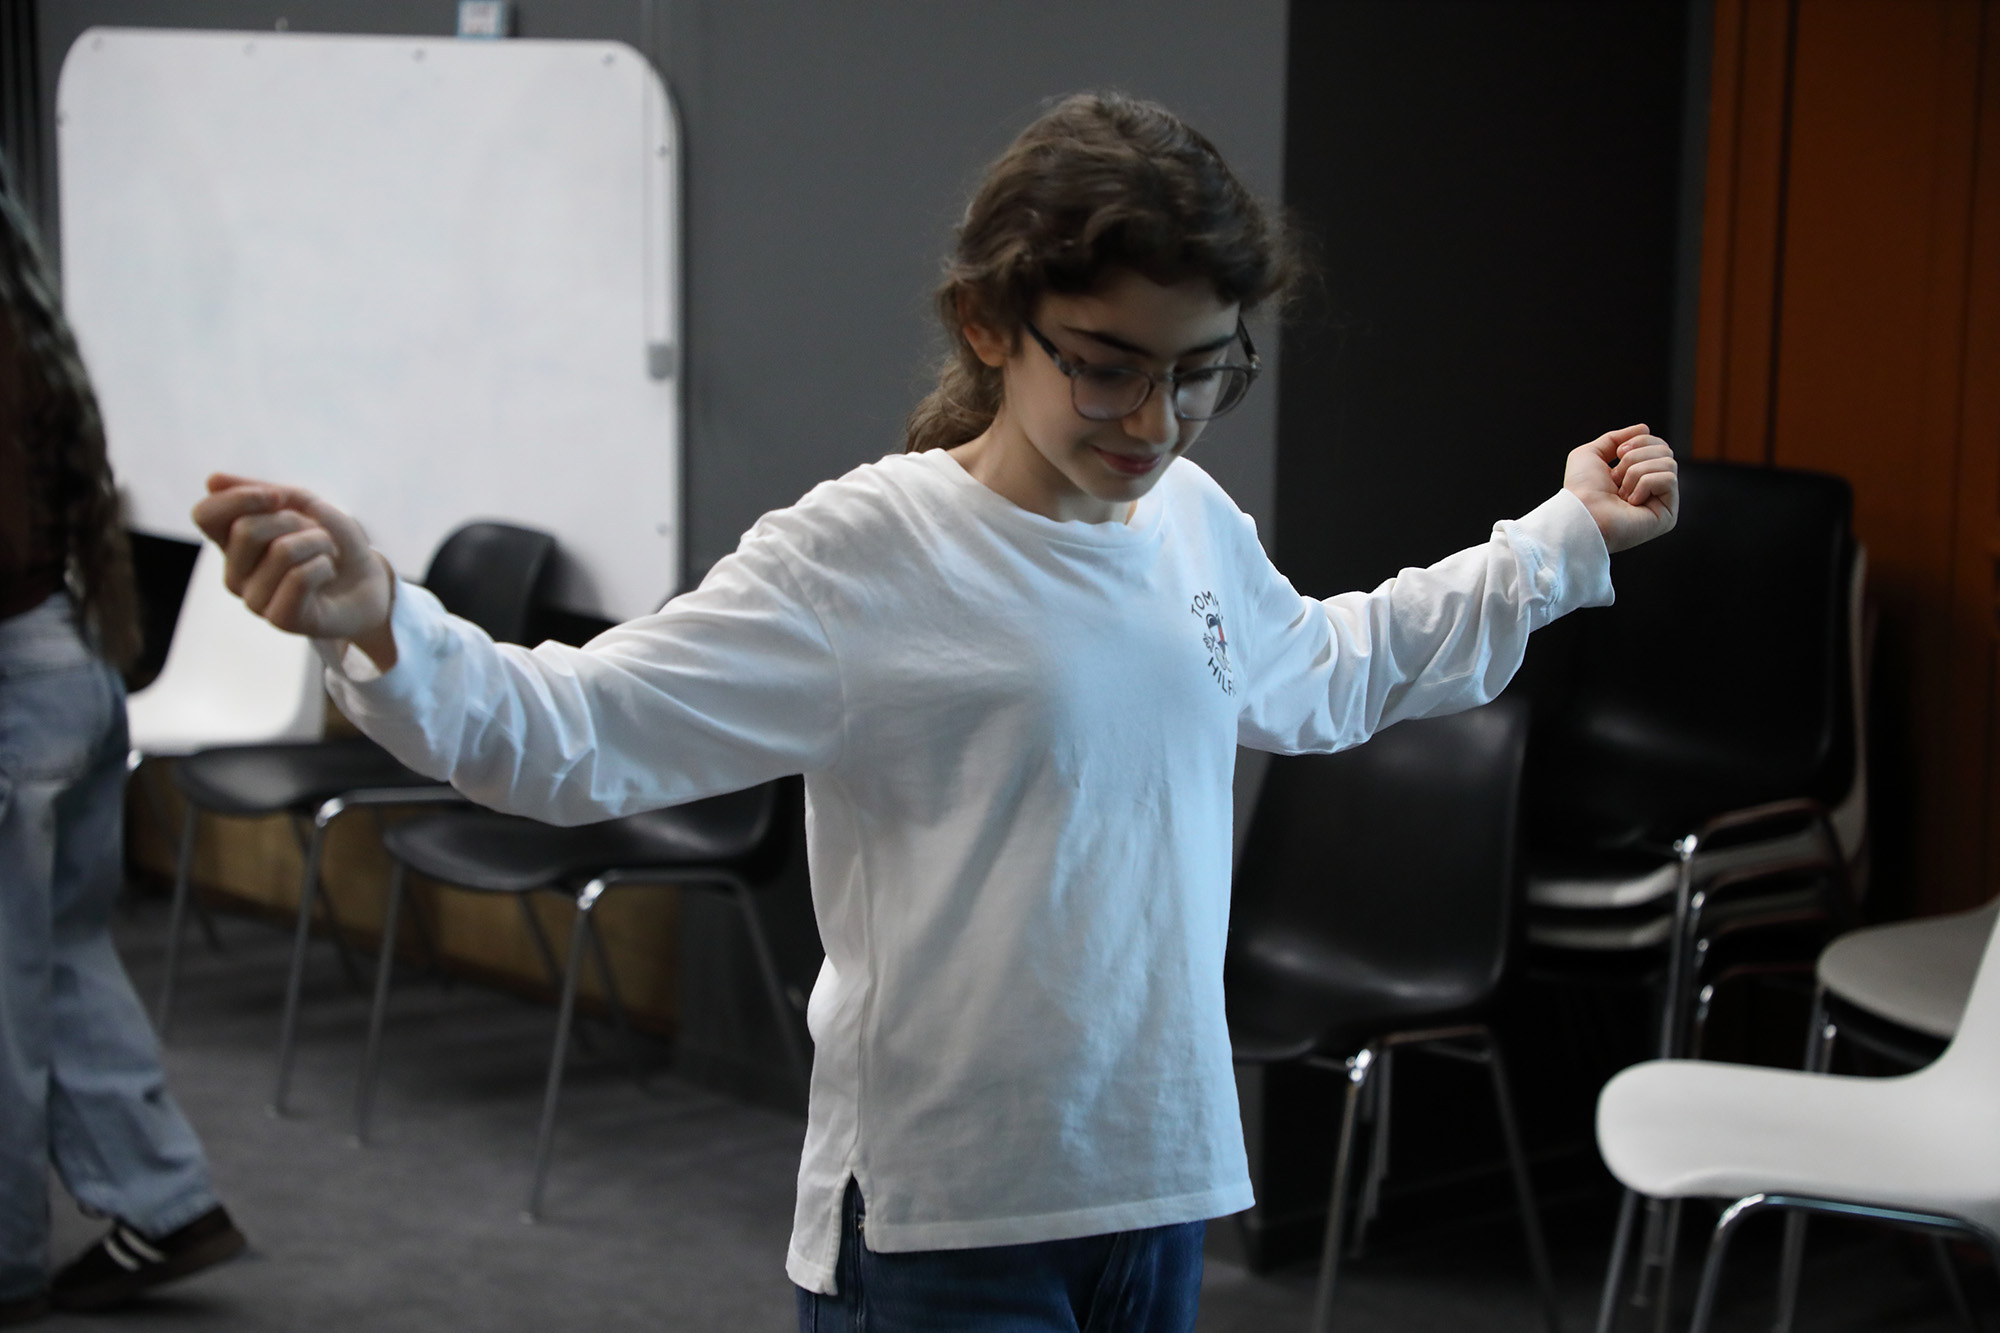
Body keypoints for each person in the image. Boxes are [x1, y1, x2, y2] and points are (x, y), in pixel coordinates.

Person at [194, 93, 1677, 1332]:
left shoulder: (1188, 524)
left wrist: (1558, 541)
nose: (1153, 423)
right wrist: (384, 619)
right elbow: (575, 736)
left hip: (1155, 1183)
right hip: (945, 1224)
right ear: (988, 322)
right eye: (1106, 369)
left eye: (1197, 375)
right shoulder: (866, 554)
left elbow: (1331, 670)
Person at [0, 159, 247, 1326]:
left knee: (11, 992)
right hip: (65, 664)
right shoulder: (27, 322)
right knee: (56, 955)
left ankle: (7, 1263)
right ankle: (165, 1200)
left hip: (14, 686)